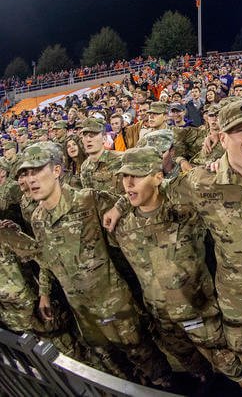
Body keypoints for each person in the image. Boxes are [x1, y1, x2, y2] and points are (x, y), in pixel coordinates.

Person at [107, 100, 242, 395]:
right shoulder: (200, 182)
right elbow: (157, 188)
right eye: (240, 130)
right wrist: (119, 205)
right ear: (222, 138)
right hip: (237, 302)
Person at [7, 143, 172, 385]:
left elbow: (132, 200)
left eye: (36, 170)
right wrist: (43, 293)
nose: (30, 179)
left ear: (56, 170)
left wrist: (118, 207)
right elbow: (47, 258)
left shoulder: (87, 200)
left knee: (144, 355)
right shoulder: (38, 218)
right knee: (112, 365)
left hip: (114, 301)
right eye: (24, 174)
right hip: (82, 310)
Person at [109, 146, 242, 387]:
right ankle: (206, 381)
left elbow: (213, 187)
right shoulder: (122, 225)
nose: (128, 183)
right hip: (162, 317)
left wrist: (217, 166)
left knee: (226, 360)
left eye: (137, 175)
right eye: (124, 176)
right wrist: (121, 205)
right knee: (189, 360)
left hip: (198, 309)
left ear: (157, 177)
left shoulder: (185, 211)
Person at [80, 118, 124, 194]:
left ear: (104, 138)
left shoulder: (120, 160)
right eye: (85, 136)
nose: (88, 139)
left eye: (92, 135)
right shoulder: (84, 166)